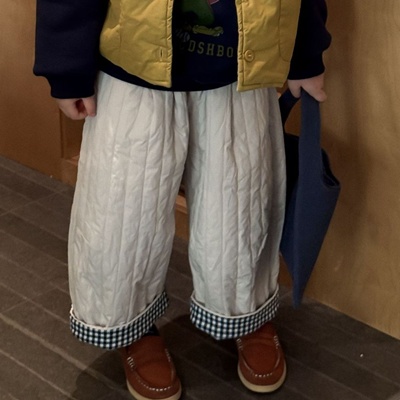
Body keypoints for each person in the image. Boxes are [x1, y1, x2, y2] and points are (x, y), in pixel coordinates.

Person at [34, 1, 331, 399]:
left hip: (241, 66)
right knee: (123, 213)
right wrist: (66, 68)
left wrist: (305, 52)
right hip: (133, 64)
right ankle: (131, 326)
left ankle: (245, 313)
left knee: (240, 207)